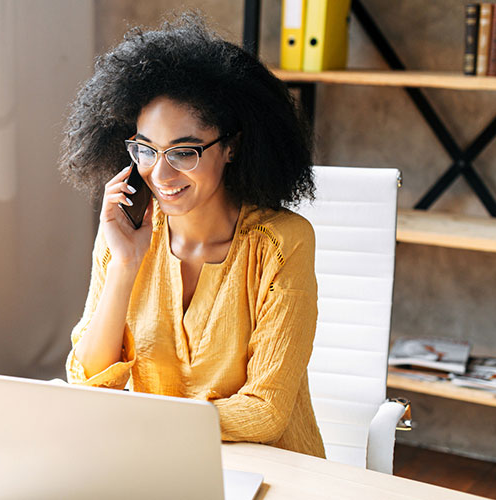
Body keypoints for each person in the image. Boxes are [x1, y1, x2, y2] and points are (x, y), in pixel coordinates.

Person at [58, 13, 325, 458]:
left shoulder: (281, 243)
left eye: (183, 152)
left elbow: (265, 412)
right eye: (145, 149)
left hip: (271, 470)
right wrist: (125, 265)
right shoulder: (124, 236)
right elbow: (88, 383)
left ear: (231, 147)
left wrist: (143, 424)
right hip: (161, 461)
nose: (159, 174)